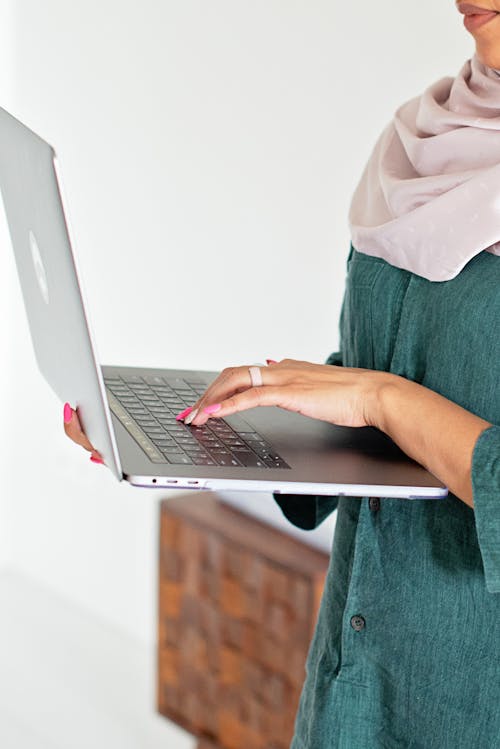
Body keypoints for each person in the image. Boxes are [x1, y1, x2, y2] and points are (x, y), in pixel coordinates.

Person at [64, 2, 500, 745]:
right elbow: (374, 384)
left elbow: (381, 392)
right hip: (353, 683)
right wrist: (217, 434)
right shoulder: (428, 141)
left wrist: (378, 395)